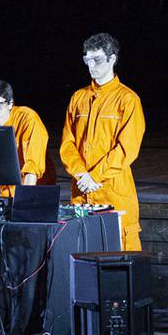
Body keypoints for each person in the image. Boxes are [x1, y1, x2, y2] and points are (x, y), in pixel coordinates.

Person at [59, 33, 146, 250]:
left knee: (118, 258)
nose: (91, 65)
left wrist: (95, 176)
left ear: (112, 58)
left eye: (96, 59)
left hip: (112, 191)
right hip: (81, 192)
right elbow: (67, 143)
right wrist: (81, 174)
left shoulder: (127, 99)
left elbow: (127, 148)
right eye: (87, 60)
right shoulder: (78, 98)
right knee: (82, 259)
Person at [0, 79, 47, 196]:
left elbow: (33, 165)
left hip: (34, 190)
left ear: (10, 103)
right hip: (4, 193)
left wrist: (24, 199)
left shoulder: (28, 118)